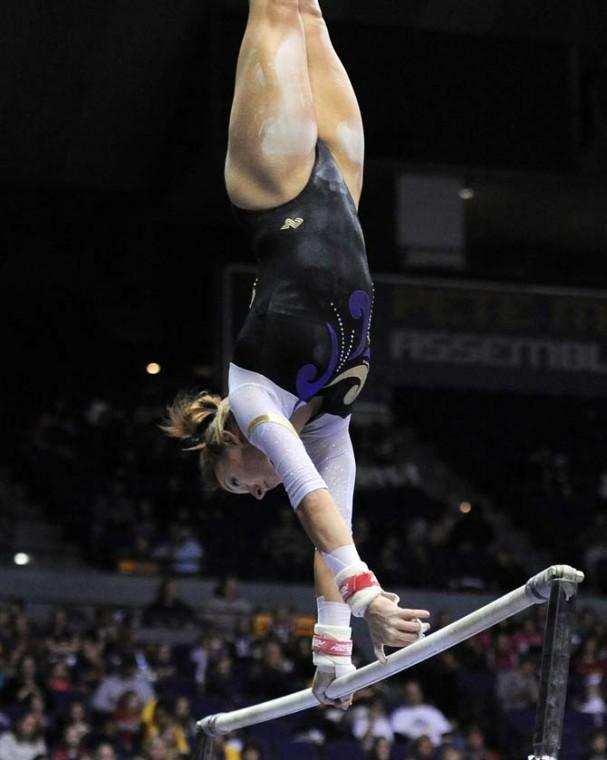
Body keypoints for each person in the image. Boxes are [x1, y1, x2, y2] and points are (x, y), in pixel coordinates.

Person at [163, 0, 430, 708]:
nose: (256, 490)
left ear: (225, 443)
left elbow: (308, 502)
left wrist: (365, 594)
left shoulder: (253, 401)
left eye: (237, 483)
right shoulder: (330, 427)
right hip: (341, 190)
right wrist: (333, 649)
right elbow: (329, 524)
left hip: (272, 188)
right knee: (308, 11)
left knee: (276, 9)